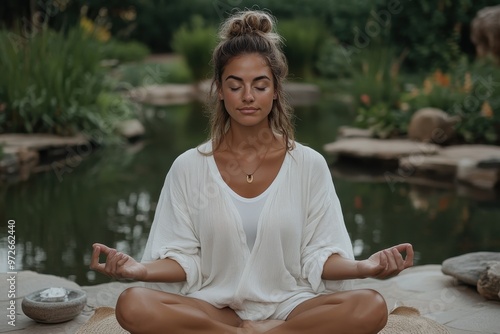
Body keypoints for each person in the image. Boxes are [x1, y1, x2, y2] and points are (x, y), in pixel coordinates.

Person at [90, 9, 414, 334]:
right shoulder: (189, 167)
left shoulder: (308, 165)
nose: (248, 96)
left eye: (260, 85)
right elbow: (182, 258)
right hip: (213, 307)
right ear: (219, 89)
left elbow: (319, 257)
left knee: (370, 306)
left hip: (290, 307)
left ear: (275, 90)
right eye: (235, 85)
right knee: (132, 304)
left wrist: (365, 267)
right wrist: (140, 270)